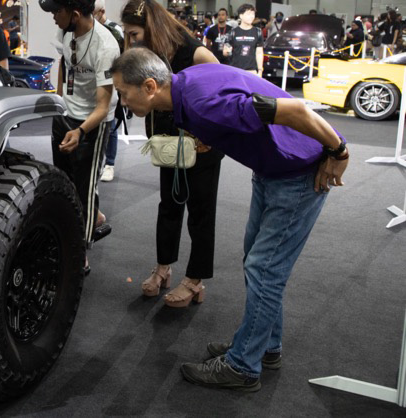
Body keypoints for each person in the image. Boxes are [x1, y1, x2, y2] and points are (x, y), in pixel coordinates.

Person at [111, 47, 348, 392]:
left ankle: (243, 366)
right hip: (272, 171)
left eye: (123, 93)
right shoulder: (186, 83)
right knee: (258, 262)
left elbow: (296, 109)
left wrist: (339, 150)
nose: (122, 101)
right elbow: (237, 91)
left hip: (297, 174)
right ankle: (264, 346)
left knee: (263, 268)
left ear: (149, 86)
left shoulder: (202, 103)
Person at [120, 0, 223, 307]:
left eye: (134, 34)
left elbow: (222, 95)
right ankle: (163, 267)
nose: (131, 41)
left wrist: (204, 132)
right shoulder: (152, 54)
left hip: (203, 144)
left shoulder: (196, 53)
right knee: (169, 206)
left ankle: (195, 280)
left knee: (201, 212)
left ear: (151, 28)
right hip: (169, 142)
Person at [39, 0, 120, 262]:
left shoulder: (106, 46)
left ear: (74, 14)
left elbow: (103, 106)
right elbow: (65, 62)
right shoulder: (66, 31)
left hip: (92, 124)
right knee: (63, 182)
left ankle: (79, 253)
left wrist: (81, 131)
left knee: (84, 188)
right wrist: (59, 101)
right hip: (66, 114)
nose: (53, 16)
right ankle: (89, 219)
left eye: (57, 11)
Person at [94, 0, 125, 182]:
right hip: (93, 83)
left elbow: (121, 59)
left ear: (102, 12)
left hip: (111, 82)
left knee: (111, 125)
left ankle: (109, 164)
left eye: (93, 13)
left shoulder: (114, 30)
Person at [224, 4, 263, 75]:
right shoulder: (232, 32)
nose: (251, 16)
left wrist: (260, 70)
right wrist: (228, 51)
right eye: (248, 14)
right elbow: (225, 52)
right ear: (241, 15)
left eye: (253, 14)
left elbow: (259, 52)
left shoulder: (257, 32)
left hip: (251, 71)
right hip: (235, 70)